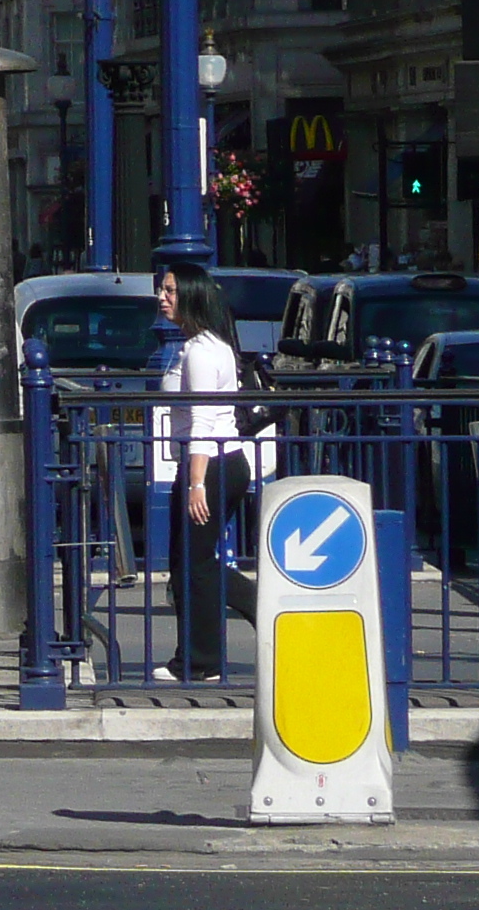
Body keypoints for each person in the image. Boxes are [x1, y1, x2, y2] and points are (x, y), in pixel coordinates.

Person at [156, 265, 258, 684]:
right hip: (218, 463)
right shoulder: (200, 345)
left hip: (212, 465)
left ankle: (201, 660)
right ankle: (199, 657)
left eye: (171, 290)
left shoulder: (200, 350)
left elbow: (202, 419)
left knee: (193, 563)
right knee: (190, 561)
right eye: (162, 289)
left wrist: (196, 483)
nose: (162, 297)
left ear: (193, 296)